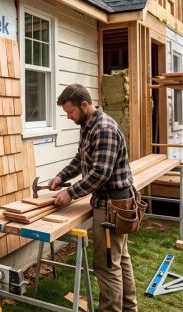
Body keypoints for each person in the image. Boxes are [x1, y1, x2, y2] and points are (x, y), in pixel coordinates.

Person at [48, 84, 137, 312]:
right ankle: (129, 308)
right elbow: (81, 159)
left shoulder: (104, 128)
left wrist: (70, 192)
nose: (69, 118)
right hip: (110, 202)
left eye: (71, 113)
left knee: (106, 265)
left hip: (112, 205)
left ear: (84, 105)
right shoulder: (87, 125)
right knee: (119, 259)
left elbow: (100, 173)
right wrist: (61, 176)